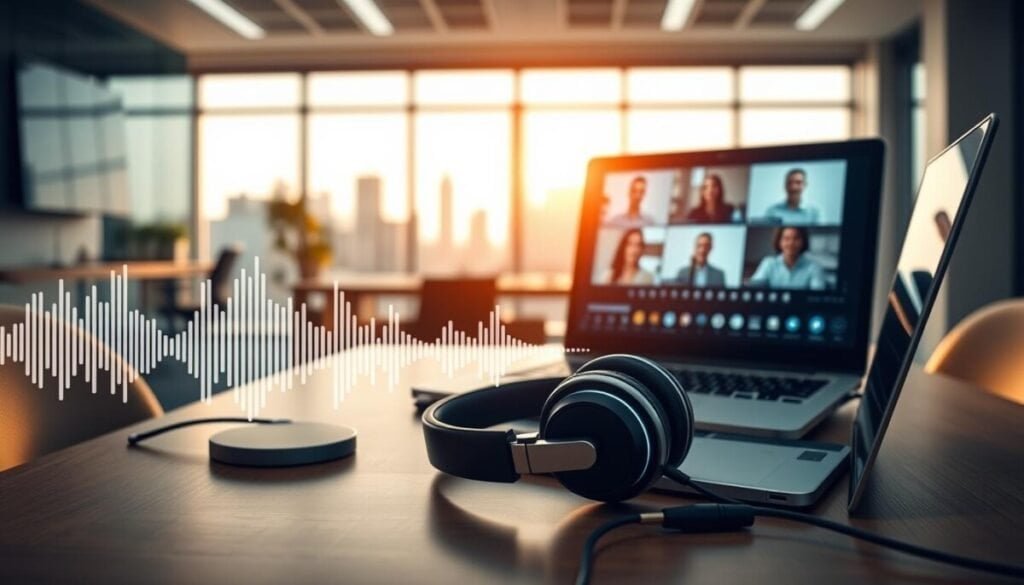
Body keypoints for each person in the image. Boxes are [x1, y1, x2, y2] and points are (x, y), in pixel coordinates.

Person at [748, 226, 826, 290]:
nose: (791, 243)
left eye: (796, 238)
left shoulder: (814, 267)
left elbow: (817, 295)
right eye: (786, 238)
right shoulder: (769, 263)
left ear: (803, 241)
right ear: (779, 242)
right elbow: (754, 288)